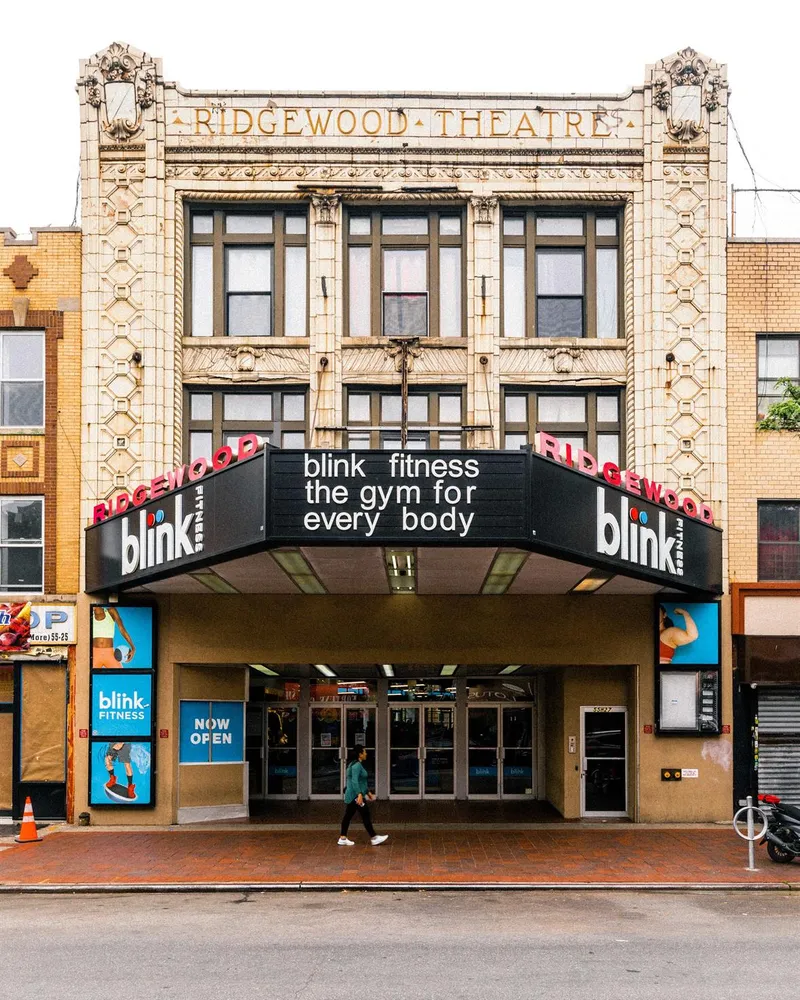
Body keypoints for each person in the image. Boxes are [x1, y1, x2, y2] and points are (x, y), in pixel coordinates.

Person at [338, 747, 388, 847]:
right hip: (355, 796)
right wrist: (359, 794)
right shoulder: (356, 766)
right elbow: (355, 781)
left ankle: (342, 838)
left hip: (353, 795)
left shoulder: (354, 765)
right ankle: (374, 837)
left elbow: (361, 782)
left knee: (348, 815)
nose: (366, 754)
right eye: (364, 752)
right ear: (360, 754)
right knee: (365, 814)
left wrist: (367, 792)